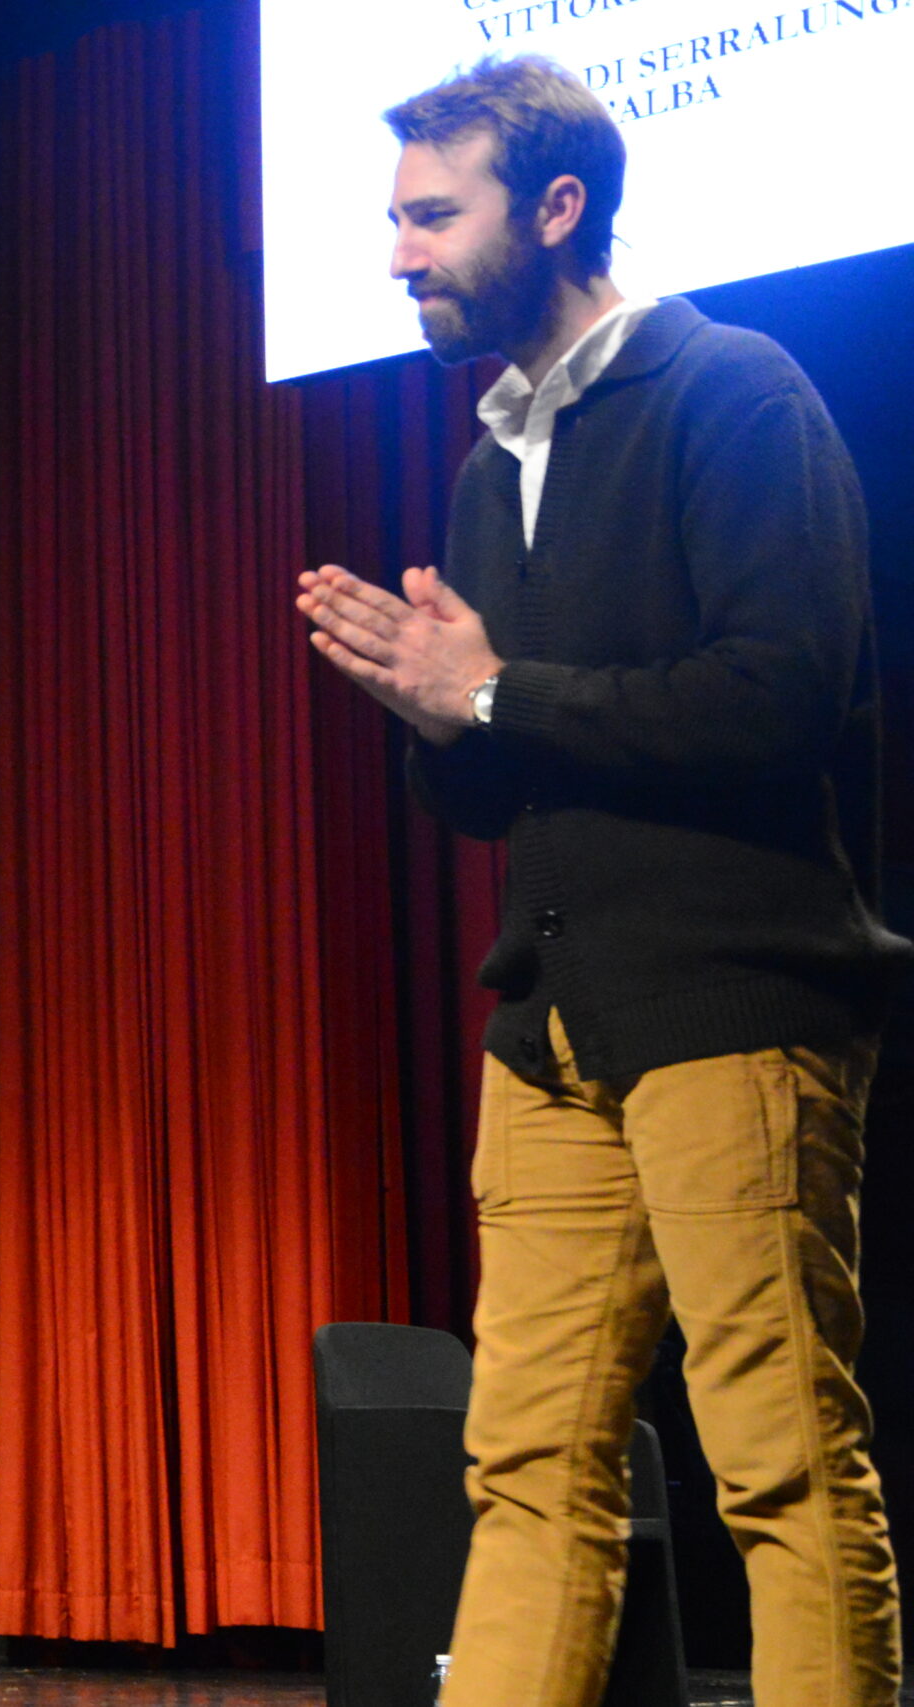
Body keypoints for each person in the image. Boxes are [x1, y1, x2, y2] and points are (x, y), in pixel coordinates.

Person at [296, 53, 907, 1707]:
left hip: (730, 997)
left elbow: (782, 696)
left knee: (777, 1464)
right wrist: (436, 706)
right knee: (527, 1466)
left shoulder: (736, 393)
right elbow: (496, 781)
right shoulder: (497, 460)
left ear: (557, 207)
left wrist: (493, 690)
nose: (400, 256)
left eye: (434, 216)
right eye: (393, 219)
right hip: (552, 1033)